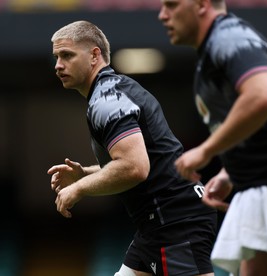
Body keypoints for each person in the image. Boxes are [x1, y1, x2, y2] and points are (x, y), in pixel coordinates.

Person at [158, 0, 267, 276]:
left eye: (171, 5)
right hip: (262, 193)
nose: (162, 15)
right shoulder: (210, 55)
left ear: (202, 4)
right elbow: (259, 126)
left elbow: (263, 96)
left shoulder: (229, 37)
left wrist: (205, 151)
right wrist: (231, 172)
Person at [47, 20, 217, 276]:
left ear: (95, 55)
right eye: (57, 57)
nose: (58, 65)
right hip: (159, 221)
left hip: (174, 220)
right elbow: (133, 160)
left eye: (67, 55)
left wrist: (80, 188)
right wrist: (84, 174)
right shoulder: (110, 91)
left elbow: (135, 167)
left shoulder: (107, 99)